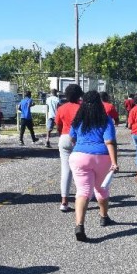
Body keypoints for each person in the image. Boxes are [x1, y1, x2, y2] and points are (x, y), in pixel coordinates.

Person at [68, 91, 119, 242]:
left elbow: (72, 138)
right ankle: (104, 217)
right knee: (101, 189)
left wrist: (80, 147)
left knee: (83, 192)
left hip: (79, 156)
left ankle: (79, 225)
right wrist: (114, 162)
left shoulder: (78, 120)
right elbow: (110, 142)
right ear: (99, 103)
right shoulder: (106, 119)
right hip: (101, 157)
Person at [55, 84, 83, 212]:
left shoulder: (61, 108)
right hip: (79, 139)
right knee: (80, 170)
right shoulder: (82, 107)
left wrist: (61, 134)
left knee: (66, 170)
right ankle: (81, 198)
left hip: (64, 137)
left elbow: (58, 125)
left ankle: (64, 201)